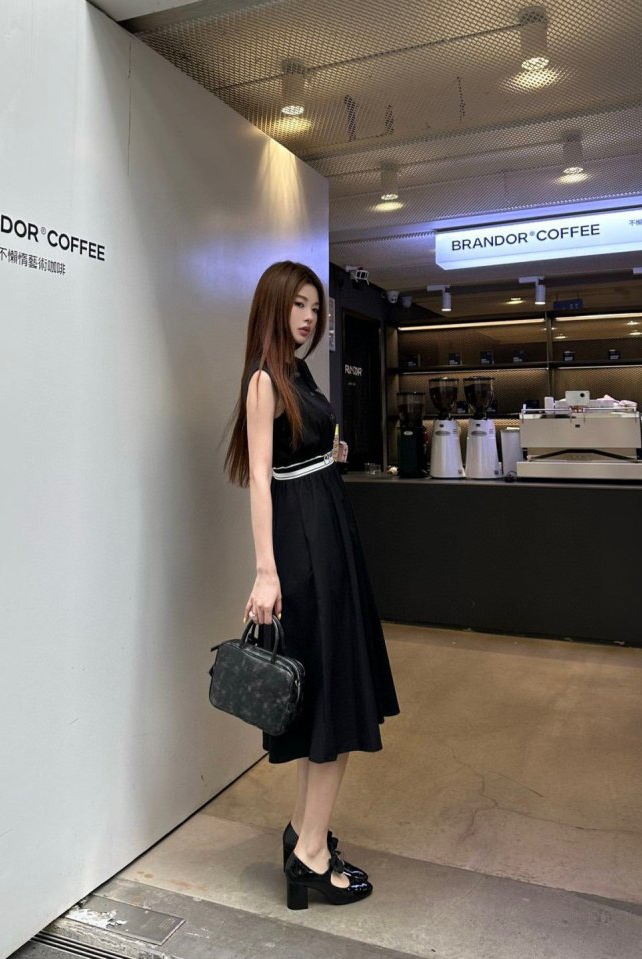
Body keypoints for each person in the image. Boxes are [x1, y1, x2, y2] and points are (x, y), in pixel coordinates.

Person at [224, 261, 400, 910]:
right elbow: (260, 479)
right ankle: (310, 856)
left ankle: (307, 831)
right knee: (333, 701)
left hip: (328, 540)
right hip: (307, 553)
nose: (309, 316)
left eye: (315, 307)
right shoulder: (266, 380)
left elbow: (296, 455)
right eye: (298, 304)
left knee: (331, 694)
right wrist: (266, 571)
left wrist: (328, 453)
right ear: (274, 305)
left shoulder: (296, 373)